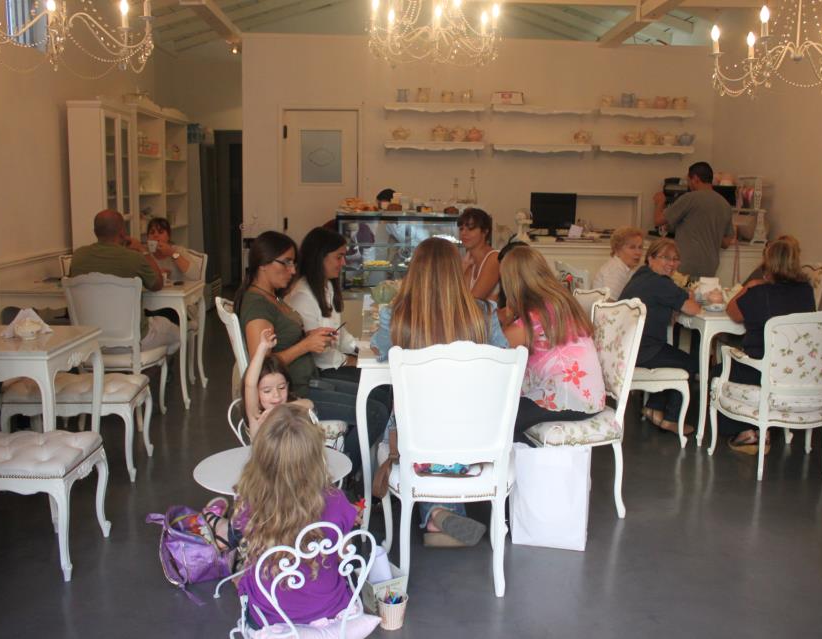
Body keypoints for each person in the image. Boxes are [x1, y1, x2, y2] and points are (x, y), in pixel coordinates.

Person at [370, 237, 507, 547]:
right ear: (457, 272)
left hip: (415, 436)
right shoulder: (485, 312)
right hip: (477, 432)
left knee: (398, 423)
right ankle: (441, 514)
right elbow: (503, 358)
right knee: (447, 434)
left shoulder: (396, 313)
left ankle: (435, 513)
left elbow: (380, 351)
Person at [235, 231, 387, 474]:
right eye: (286, 262)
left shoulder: (271, 297)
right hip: (292, 393)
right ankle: (337, 475)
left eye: (294, 262)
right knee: (375, 411)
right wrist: (305, 345)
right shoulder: (257, 305)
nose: (293, 270)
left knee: (379, 396)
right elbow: (261, 366)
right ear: (263, 263)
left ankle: (350, 470)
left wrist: (309, 337)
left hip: (307, 380)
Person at [232, 405, 360, 628]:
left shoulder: (250, 502)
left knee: (248, 573)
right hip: (329, 609)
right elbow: (344, 556)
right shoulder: (336, 501)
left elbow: (250, 543)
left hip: (269, 615)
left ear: (261, 459)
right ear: (316, 458)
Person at [715, 240, 816, 453]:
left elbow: (732, 312)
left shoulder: (759, 292)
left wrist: (749, 286)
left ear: (768, 263)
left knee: (718, 371)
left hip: (760, 370)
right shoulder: (806, 292)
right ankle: (767, 428)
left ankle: (746, 431)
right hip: (793, 372)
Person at [499, 246, 607, 441]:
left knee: (497, 421)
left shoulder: (535, 315)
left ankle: (528, 456)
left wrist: (508, 314)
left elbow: (500, 345)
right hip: (588, 396)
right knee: (503, 413)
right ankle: (528, 454)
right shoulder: (558, 304)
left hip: (567, 399)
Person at [618, 238, 701, 434]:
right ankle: (671, 419)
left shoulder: (641, 274)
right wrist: (688, 297)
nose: (671, 263)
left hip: (626, 347)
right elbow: (694, 309)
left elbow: (665, 311)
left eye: (675, 259)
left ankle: (653, 408)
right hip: (643, 350)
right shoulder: (661, 283)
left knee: (673, 357)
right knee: (689, 363)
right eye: (665, 258)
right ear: (651, 258)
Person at [70, 210, 179, 351]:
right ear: (122, 232)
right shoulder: (134, 258)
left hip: (91, 341)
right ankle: (155, 363)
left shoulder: (78, 257)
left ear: (95, 232)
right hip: (133, 339)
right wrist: (144, 251)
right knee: (178, 334)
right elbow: (157, 284)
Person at [285, 228, 359, 381]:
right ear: (320, 257)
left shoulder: (327, 285)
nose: (343, 263)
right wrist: (350, 360)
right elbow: (319, 354)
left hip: (331, 363)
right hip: (317, 371)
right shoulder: (302, 296)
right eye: (339, 257)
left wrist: (359, 347)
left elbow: (338, 332)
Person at [652, 162, 735, 278]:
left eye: (689, 180)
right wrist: (710, 231)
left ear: (695, 178)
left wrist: (660, 202)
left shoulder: (689, 198)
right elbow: (726, 243)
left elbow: (658, 220)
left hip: (685, 264)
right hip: (710, 266)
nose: (688, 184)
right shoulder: (724, 204)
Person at [241, 327, 313, 440]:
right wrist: (262, 347)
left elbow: (309, 404)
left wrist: (282, 408)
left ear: (287, 385)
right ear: (256, 393)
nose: (276, 395)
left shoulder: (288, 408)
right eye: (267, 391)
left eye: (281, 387)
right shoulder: (257, 416)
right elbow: (250, 384)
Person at [457, 207, 500, 302]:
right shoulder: (468, 260)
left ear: (485, 231)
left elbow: (474, 301)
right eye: (461, 229)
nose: (464, 233)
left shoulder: (494, 258)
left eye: (470, 229)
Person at [591, 226, 644, 299]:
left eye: (640, 247)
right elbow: (610, 302)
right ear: (617, 250)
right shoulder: (615, 269)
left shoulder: (627, 267)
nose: (638, 252)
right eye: (632, 247)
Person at [146, 217, 199, 282]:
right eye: (152, 232)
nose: (155, 235)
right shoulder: (145, 254)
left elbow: (196, 275)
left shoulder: (178, 250)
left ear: (168, 236)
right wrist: (157, 275)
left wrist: (172, 253)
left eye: (160, 232)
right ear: (148, 237)